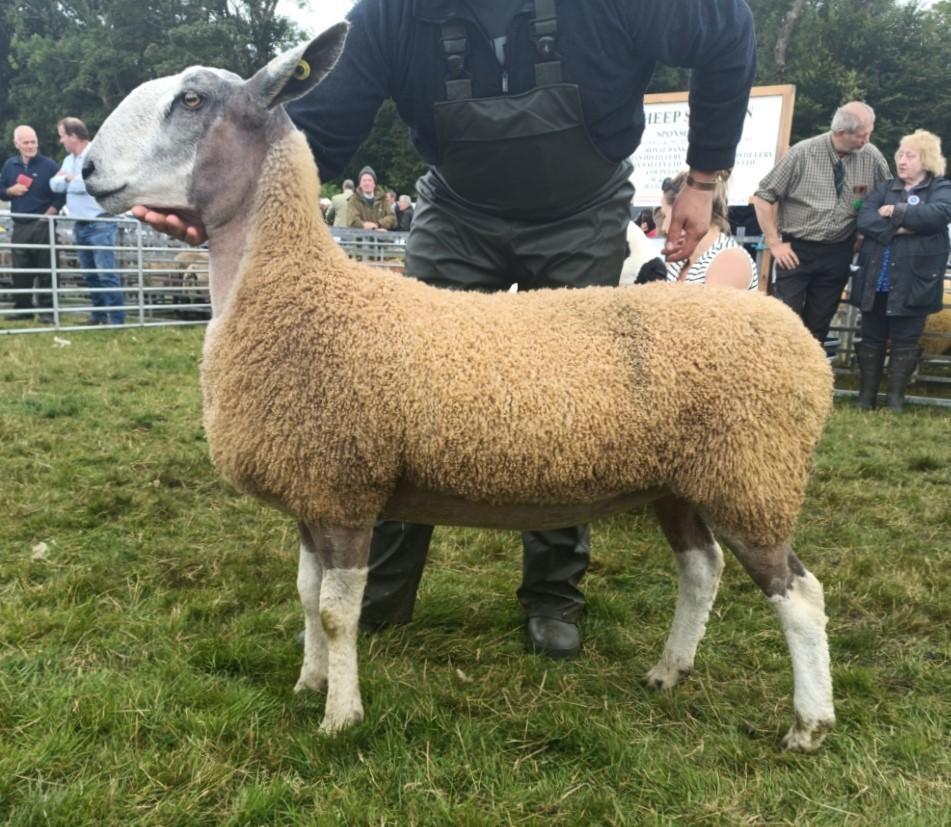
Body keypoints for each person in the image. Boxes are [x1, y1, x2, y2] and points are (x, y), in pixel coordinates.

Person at [133, 0, 757, 659]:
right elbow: (318, 129)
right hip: (459, 212)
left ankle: (552, 595)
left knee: (571, 402)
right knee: (395, 394)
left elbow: (726, 31)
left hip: (581, 212)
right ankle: (378, 591)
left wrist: (703, 177)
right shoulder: (391, 17)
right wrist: (218, 201)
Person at [752, 102, 891, 343]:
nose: (867, 140)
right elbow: (763, 196)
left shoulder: (871, 156)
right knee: (786, 322)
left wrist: (863, 232)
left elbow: (886, 195)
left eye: (869, 133)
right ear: (840, 133)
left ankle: (810, 377)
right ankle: (782, 376)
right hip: (796, 250)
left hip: (839, 250)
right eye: (861, 135)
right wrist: (775, 243)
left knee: (819, 325)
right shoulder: (802, 153)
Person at [850, 130, 951, 411]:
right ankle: (865, 398)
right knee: (872, 336)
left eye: (910, 155)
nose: (902, 160)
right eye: (900, 154)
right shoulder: (884, 187)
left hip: (914, 281)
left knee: (907, 339)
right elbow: (865, 219)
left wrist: (895, 212)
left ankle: (895, 400)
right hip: (876, 279)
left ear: (926, 160)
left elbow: (939, 215)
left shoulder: (940, 188)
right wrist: (906, 229)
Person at [51, 117, 125, 326]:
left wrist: (70, 180)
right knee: (90, 274)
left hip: (100, 223)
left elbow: (94, 184)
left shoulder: (97, 154)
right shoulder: (68, 160)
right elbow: (53, 184)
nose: (61, 141)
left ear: (73, 136)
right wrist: (69, 179)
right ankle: (99, 316)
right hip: (81, 224)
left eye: (62, 136)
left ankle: (118, 320)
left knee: (105, 274)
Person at [0, 125, 64, 321]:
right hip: (20, 223)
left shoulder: (50, 165)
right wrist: (11, 191)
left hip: (43, 223)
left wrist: (49, 215)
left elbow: (60, 195)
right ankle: (23, 308)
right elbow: (1, 189)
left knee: (46, 269)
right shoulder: (10, 165)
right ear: (16, 144)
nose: (30, 146)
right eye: (26, 142)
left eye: (33, 142)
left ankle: (47, 311)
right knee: (21, 270)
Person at [660, 171, 758, 289]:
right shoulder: (681, 258)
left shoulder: (731, 260)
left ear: (687, 210)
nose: (664, 227)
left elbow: (709, 307)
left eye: (665, 216)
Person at [348, 166, 397, 230]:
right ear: (360, 184)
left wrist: (378, 224)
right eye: (364, 181)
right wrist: (364, 225)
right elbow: (352, 220)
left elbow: (392, 218)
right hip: (359, 238)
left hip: (381, 238)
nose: (367, 183)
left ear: (374, 184)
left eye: (370, 180)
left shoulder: (383, 199)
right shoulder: (353, 200)